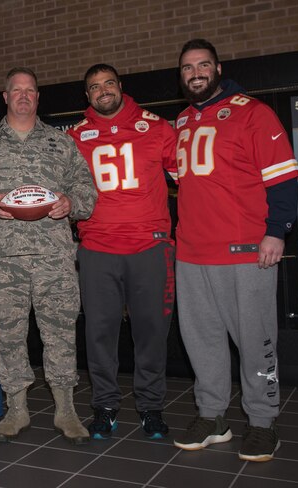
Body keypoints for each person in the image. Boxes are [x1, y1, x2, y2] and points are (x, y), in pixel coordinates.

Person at [171, 39, 298, 462]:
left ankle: (263, 422)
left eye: (203, 65)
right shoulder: (182, 121)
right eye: (188, 67)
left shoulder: (253, 112)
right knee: (202, 341)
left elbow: (282, 180)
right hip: (192, 253)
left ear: (218, 68)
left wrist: (277, 231)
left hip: (246, 250)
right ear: (182, 75)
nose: (196, 73)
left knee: (255, 340)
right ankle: (213, 416)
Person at [0, 67, 97, 445]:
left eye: (30, 91)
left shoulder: (61, 143)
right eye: (16, 90)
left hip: (54, 258)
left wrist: (71, 201)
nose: (23, 96)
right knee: (8, 335)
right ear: (5, 97)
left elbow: (87, 193)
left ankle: (65, 409)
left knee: (61, 334)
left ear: (38, 97)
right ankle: (16, 408)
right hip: (5, 260)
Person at [67, 64, 177, 440]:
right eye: (94, 87)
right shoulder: (75, 137)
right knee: (99, 334)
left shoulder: (158, 127)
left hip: (149, 246)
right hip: (98, 249)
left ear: (120, 86)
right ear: (88, 96)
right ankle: (105, 405)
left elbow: (192, 179)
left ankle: (150, 406)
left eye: (108, 83)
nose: (102, 91)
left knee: (151, 333)